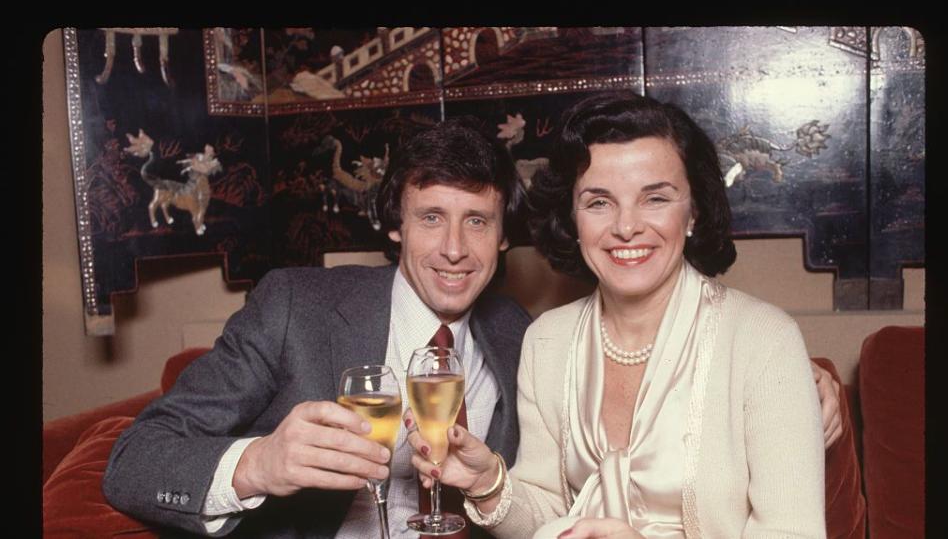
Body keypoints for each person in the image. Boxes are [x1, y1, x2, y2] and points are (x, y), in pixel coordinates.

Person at [407, 91, 828, 538]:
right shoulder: (548, 339)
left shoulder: (765, 340)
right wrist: (485, 482)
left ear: (694, 211)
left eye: (655, 199)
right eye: (599, 202)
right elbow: (547, 516)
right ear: (573, 216)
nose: (626, 226)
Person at [102, 117, 532, 538]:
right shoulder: (294, 306)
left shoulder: (518, 333)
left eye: (477, 221)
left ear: (503, 237)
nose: (454, 249)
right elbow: (134, 458)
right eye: (431, 218)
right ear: (397, 226)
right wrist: (258, 464)